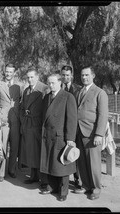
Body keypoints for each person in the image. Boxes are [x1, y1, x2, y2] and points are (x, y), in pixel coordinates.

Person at [39, 73, 78, 202]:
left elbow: (72, 120)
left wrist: (70, 138)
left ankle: (63, 192)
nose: (51, 85)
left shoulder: (68, 97)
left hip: (60, 136)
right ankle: (52, 186)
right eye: (49, 83)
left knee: (62, 164)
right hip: (48, 136)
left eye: (53, 83)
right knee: (51, 163)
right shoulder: (46, 98)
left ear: (60, 83)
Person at [74, 65, 108, 200]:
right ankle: (86, 185)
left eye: (87, 75)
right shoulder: (78, 92)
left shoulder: (100, 93)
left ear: (93, 76)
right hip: (79, 132)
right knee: (82, 162)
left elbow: (103, 115)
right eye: (82, 75)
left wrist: (99, 134)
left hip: (92, 134)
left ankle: (96, 188)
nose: (84, 77)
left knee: (93, 163)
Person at [0, 64, 22, 182]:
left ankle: (12, 169)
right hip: (3, 120)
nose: (8, 74)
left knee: (14, 146)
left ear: (14, 73)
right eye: (7, 72)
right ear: (4, 72)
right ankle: (1, 172)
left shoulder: (20, 86)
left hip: (15, 119)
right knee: (2, 146)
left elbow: (21, 102)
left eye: (10, 72)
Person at [19, 66, 48, 184]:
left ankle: (43, 180)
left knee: (40, 152)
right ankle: (33, 175)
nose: (30, 80)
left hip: (38, 123)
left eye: (32, 77)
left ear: (37, 77)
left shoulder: (44, 88)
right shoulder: (26, 90)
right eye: (28, 77)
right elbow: (22, 107)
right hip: (28, 123)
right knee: (31, 151)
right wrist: (23, 119)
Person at [60, 65, 82, 187]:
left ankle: (78, 179)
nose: (65, 77)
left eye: (68, 75)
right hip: (60, 127)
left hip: (74, 127)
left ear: (72, 76)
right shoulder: (57, 87)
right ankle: (62, 179)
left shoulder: (78, 90)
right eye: (63, 75)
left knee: (74, 153)